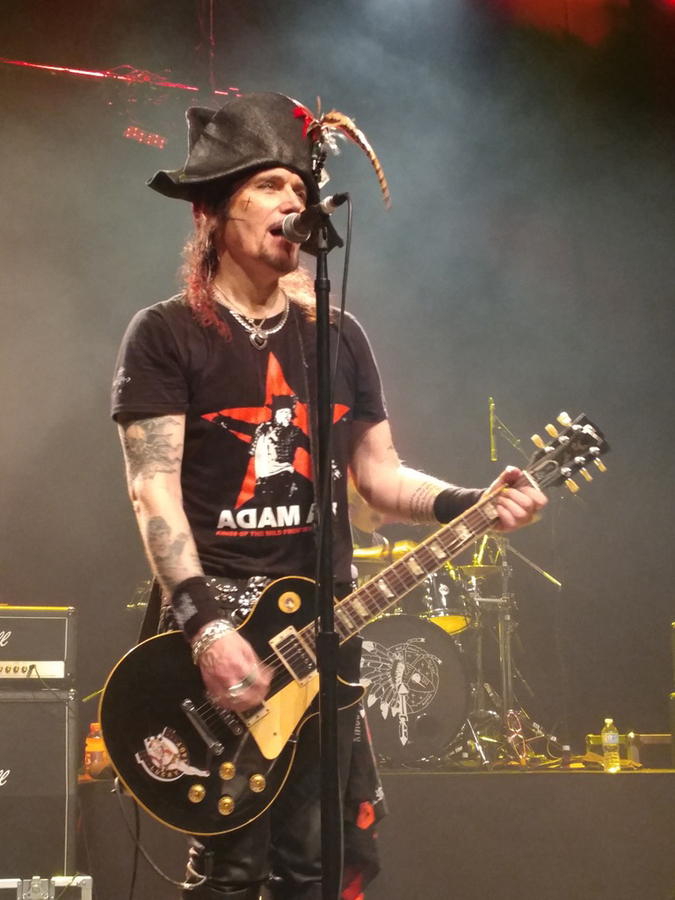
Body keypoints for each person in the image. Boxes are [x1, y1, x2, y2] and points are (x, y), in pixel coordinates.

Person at [111, 91, 547, 900]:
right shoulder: (166, 334)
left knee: (314, 865)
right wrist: (206, 630)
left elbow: (378, 479)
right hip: (222, 627)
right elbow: (153, 492)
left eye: (300, 188)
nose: (292, 201)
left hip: (322, 632)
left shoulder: (338, 338)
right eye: (269, 185)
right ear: (212, 211)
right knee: (232, 871)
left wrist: (473, 501)